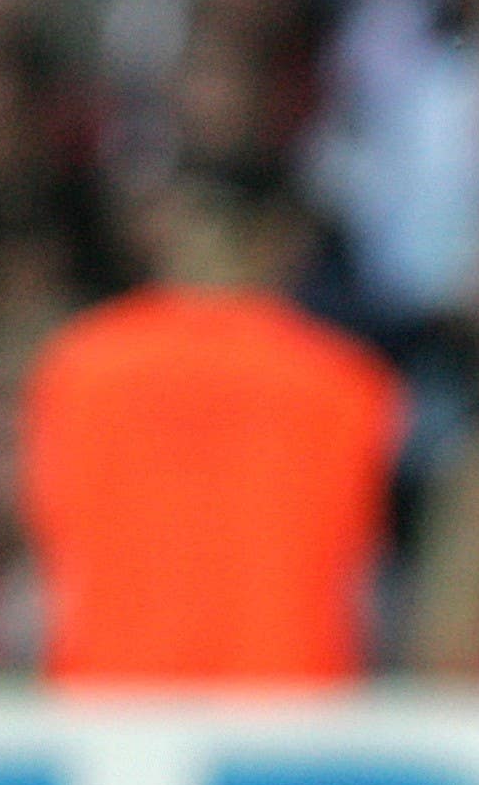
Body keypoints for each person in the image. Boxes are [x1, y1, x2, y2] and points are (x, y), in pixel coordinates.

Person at [25, 164, 400, 686]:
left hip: (114, 696)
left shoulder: (76, 370)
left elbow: (50, 533)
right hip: (287, 698)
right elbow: (360, 558)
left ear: (163, 231)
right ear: (279, 241)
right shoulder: (346, 383)